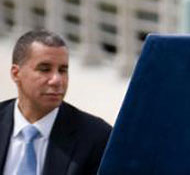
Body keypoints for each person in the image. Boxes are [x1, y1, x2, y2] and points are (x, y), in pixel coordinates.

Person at [0, 30, 112, 175]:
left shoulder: (97, 137)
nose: (57, 80)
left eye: (62, 70)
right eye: (45, 69)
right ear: (16, 74)